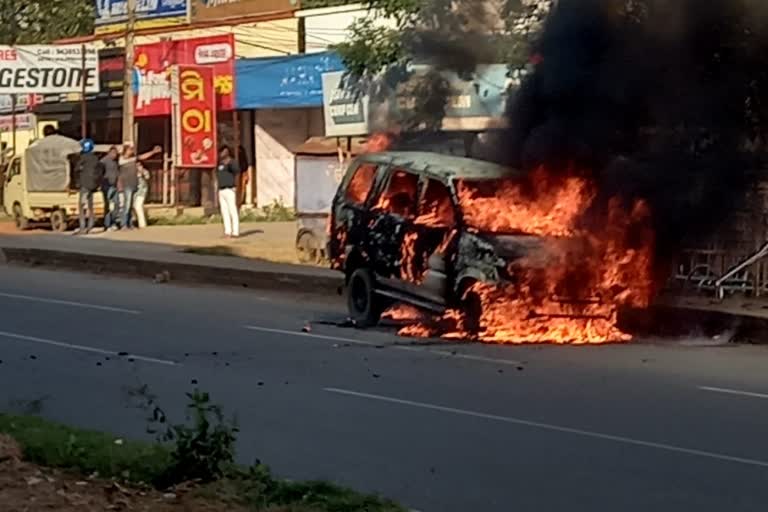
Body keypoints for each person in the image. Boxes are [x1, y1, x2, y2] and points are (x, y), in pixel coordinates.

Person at [119, 143, 161, 229]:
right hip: (127, 185)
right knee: (126, 205)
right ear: (125, 151)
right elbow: (141, 157)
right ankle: (123, 224)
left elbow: (141, 158)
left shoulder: (133, 160)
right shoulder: (122, 160)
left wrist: (153, 152)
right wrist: (153, 152)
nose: (131, 151)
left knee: (130, 206)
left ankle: (129, 223)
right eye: (129, 149)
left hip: (133, 184)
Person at [76, 139, 104, 235]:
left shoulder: (83, 157)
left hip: (84, 184)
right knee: (90, 206)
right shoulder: (95, 158)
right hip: (93, 184)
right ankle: (90, 226)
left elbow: (76, 168)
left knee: (81, 206)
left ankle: (82, 227)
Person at [217, 145, 241, 238]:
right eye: (220, 151)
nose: (221, 153)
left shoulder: (232, 162)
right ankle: (228, 231)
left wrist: (236, 186)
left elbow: (237, 174)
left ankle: (235, 231)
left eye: (223, 151)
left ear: (227, 152)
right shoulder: (220, 163)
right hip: (221, 189)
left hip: (230, 189)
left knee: (232, 210)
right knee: (224, 211)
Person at [100, 146, 120, 231]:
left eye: (116, 153)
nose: (115, 155)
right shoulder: (103, 161)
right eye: (113, 153)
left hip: (115, 185)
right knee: (107, 205)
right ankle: (107, 224)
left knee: (117, 205)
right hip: (107, 186)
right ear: (109, 153)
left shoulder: (116, 161)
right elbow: (99, 172)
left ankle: (113, 222)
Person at [133, 164, 150, 229]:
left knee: (138, 206)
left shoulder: (144, 171)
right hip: (135, 191)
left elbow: (147, 177)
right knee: (134, 206)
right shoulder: (132, 171)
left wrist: (142, 172)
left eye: (139, 165)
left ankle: (142, 224)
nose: (138, 167)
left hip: (142, 191)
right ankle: (137, 221)